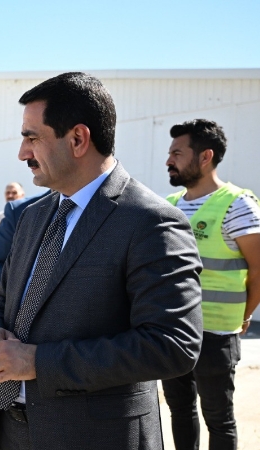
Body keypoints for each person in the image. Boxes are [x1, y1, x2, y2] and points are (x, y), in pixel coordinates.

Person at [0, 72, 203, 450]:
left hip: (98, 437)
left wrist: (37, 362)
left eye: (32, 137)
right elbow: (3, 296)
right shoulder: (33, 216)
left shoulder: (150, 221)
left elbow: (173, 344)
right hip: (13, 433)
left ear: (78, 139)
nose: (22, 153)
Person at [162, 119, 260, 450]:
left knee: (218, 418)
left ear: (205, 157)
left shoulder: (237, 204)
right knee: (179, 410)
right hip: (173, 329)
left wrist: (243, 316)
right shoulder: (169, 206)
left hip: (216, 334)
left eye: (177, 152)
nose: (169, 160)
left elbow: (258, 269)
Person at [0, 191, 50, 284]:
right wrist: (20, 288)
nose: (10, 195)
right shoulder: (19, 210)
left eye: (14, 192)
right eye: (7, 192)